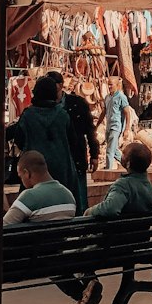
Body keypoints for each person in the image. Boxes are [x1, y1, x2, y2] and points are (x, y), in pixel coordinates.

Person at [5, 150, 102, 304]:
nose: (22, 180)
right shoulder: (68, 194)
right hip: (57, 252)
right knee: (54, 263)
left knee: (49, 262)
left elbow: (4, 229)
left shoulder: (29, 196)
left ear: (27, 173)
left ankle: (81, 294)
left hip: (29, 259)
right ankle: (84, 291)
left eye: (21, 176)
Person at [6, 76, 77, 194]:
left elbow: (19, 139)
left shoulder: (28, 115)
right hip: (61, 166)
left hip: (34, 168)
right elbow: (72, 141)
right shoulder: (63, 115)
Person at [46, 71, 99, 214]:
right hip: (54, 160)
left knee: (80, 199)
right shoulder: (43, 107)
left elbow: (90, 130)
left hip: (75, 156)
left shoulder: (77, 103)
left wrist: (94, 154)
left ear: (61, 85)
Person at [87, 141, 152, 219]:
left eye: (124, 154)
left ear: (128, 164)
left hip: (120, 230)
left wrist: (89, 211)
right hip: (141, 229)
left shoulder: (123, 186)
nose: (121, 156)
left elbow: (110, 209)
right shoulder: (149, 188)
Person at [103, 75, 131, 170]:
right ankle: (129, 166)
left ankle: (108, 172)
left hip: (116, 127)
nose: (109, 87)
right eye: (108, 85)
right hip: (108, 127)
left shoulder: (121, 97)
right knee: (114, 150)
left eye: (111, 85)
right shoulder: (107, 97)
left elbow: (127, 113)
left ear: (117, 85)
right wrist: (97, 125)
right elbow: (104, 112)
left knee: (109, 151)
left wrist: (127, 129)